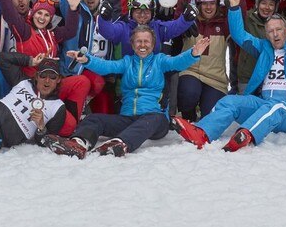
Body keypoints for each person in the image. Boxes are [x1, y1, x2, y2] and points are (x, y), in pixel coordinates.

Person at [171, 0, 286, 151]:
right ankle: (202, 133)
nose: (275, 34)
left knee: (276, 107)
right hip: (263, 104)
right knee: (230, 101)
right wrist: (234, 7)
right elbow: (239, 35)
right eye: (270, 31)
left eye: (278, 29)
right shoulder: (264, 48)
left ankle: (245, 135)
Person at [50, 29, 209, 157]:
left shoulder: (160, 61)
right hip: (128, 119)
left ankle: (120, 143)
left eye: (146, 41)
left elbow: (177, 62)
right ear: (132, 45)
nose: (142, 45)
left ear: (153, 44)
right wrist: (87, 60)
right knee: (94, 119)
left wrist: (193, 53)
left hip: (155, 119)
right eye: (138, 41)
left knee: (151, 119)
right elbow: (107, 66)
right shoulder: (127, 62)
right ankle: (79, 143)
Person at [174, 0, 232, 121]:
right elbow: (177, 19)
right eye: (204, 3)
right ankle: (188, 117)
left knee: (210, 116)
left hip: (215, 79)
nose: (208, 7)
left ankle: (203, 110)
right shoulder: (190, 21)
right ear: (198, 5)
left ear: (218, 5)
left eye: (212, 3)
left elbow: (238, 14)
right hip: (191, 72)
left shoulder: (224, 24)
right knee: (189, 94)